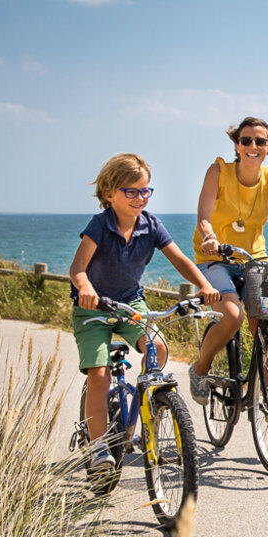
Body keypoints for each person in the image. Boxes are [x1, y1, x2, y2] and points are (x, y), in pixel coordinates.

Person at [69, 153, 220, 475]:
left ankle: (151, 407)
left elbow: (180, 260)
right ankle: (98, 452)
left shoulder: (151, 225)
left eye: (145, 191)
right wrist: (86, 288)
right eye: (131, 191)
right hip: (92, 308)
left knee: (158, 347)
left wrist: (205, 285)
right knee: (99, 374)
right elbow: (77, 268)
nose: (140, 198)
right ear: (110, 194)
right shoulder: (100, 225)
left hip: (129, 303)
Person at [187, 117, 268, 404]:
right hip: (215, 258)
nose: (253, 146)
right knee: (233, 316)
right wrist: (209, 236)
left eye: (260, 141)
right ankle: (200, 369)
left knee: (265, 320)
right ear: (237, 145)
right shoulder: (218, 171)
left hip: (252, 259)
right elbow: (204, 216)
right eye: (246, 140)